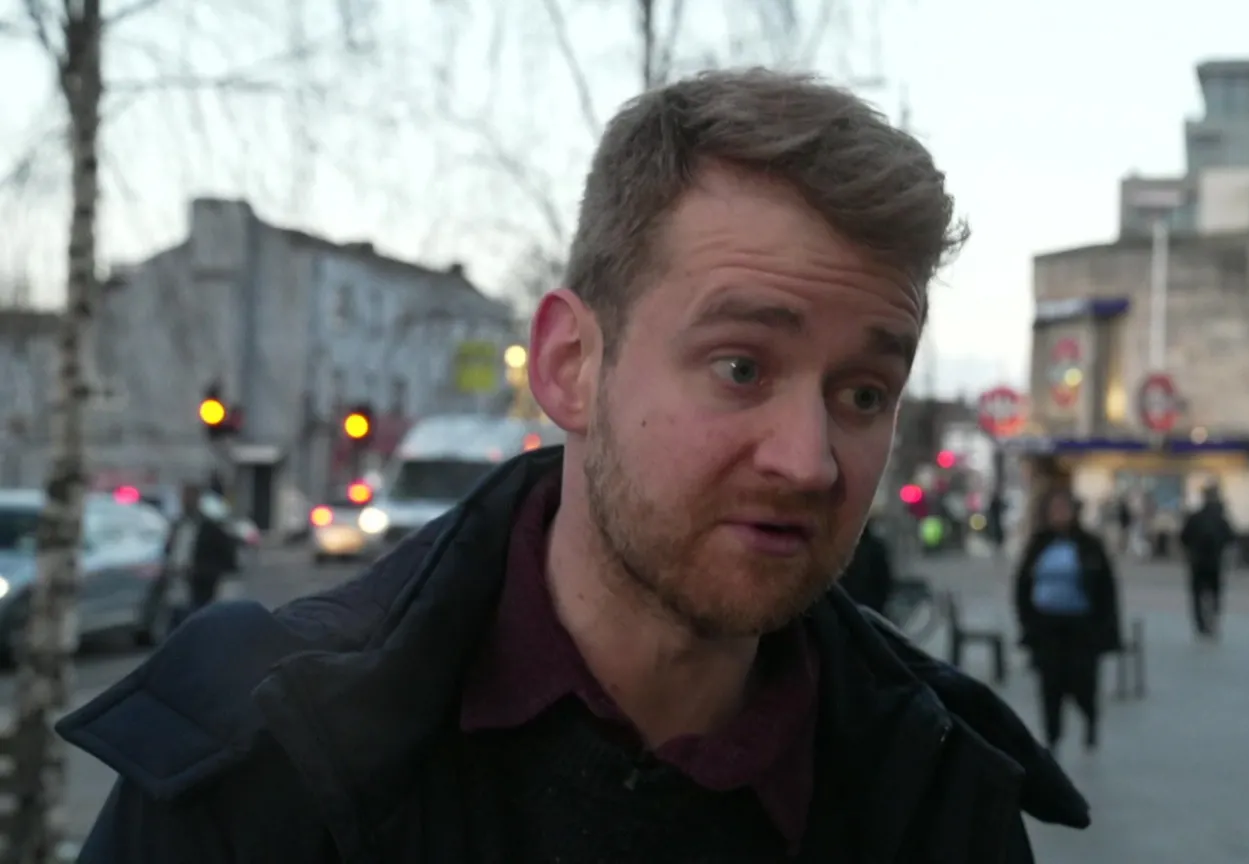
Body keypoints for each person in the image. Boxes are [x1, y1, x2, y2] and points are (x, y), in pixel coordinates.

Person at [62, 70, 1089, 862]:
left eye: (864, 393)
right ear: (570, 367)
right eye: (741, 366)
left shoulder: (936, 788)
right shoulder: (265, 763)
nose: (810, 459)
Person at [1013, 491, 1123, 754]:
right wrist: (1027, 621)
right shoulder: (1038, 544)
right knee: (1050, 685)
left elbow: (1106, 589)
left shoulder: (1089, 545)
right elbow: (1022, 584)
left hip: (1081, 628)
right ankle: (1052, 737)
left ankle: (1090, 719)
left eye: (1064, 509)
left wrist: (1106, 630)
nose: (1059, 515)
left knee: (1082, 683)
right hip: (1046, 627)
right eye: (1054, 509)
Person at [163, 482, 238, 614]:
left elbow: (227, 558)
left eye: (190, 498)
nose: (186, 502)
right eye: (184, 498)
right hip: (176, 588)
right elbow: (170, 551)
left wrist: (202, 572)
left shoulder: (209, 528)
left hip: (200, 588)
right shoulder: (178, 525)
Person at [1180, 483, 1235, 638]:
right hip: (1215, 563)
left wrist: (1190, 551)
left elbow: (1184, 538)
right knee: (1215, 593)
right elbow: (1230, 538)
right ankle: (1213, 621)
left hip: (1196, 562)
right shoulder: (1220, 518)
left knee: (1197, 594)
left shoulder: (1195, 517)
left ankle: (1200, 625)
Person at [840, 522, 896, 618]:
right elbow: (884, 583)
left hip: (847, 610)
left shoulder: (843, 551)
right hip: (872, 611)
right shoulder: (876, 547)